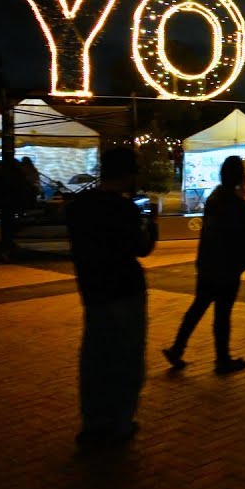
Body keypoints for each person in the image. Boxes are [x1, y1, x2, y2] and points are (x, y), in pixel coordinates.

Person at [65, 146, 158, 447]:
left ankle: (93, 420)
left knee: (95, 358)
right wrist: (151, 226)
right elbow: (141, 248)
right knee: (127, 358)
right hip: (125, 291)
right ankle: (120, 423)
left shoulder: (79, 207)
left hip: (93, 292)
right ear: (129, 174)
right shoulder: (124, 209)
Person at [163, 155, 245, 375]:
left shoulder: (214, 198)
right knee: (222, 314)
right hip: (227, 267)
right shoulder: (237, 204)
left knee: (198, 307)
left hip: (207, 264)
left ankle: (177, 348)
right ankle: (222, 360)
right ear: (242, 177)